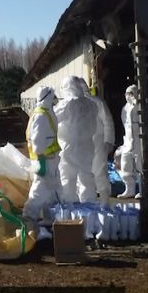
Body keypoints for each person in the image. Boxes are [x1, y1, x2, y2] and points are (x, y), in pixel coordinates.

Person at [22, 86, 63, 226]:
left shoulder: (46, 112)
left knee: (50, 191)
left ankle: (49, 218)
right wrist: (42, 161)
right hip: (45, 160)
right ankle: (28, 217)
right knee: (39, 190)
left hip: (50, 159)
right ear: (48, 97)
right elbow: (38, 144)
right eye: (53, 97)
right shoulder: (41, 116)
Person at [55, 76, 98, 204]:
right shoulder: (91, 103)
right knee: (86, 176)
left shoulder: (67, 104)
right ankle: (89, 206)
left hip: (71, 146)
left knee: (68, 176)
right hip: (88, 145)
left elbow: (52, 119)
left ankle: (70, 207)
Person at [89, 81, 116, 207]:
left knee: (95, 173)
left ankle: (100, 204)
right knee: (97, 173)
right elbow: (108, 122)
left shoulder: (96, 102)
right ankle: (100, 203)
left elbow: (107, 122)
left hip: (95, 143)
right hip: (94, 143)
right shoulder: (97, 102)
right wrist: (109, 141)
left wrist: (109, 141)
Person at [118, 85, 143, 199]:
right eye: (127, 93)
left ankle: (143, 190)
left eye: (131, 93)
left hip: (139, 142)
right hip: (128, 143)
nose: (128, 96)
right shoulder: (124, 108)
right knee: (125, 166)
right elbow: (125, 125)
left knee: (140, 167)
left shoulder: (143, 107)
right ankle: (129, 190)